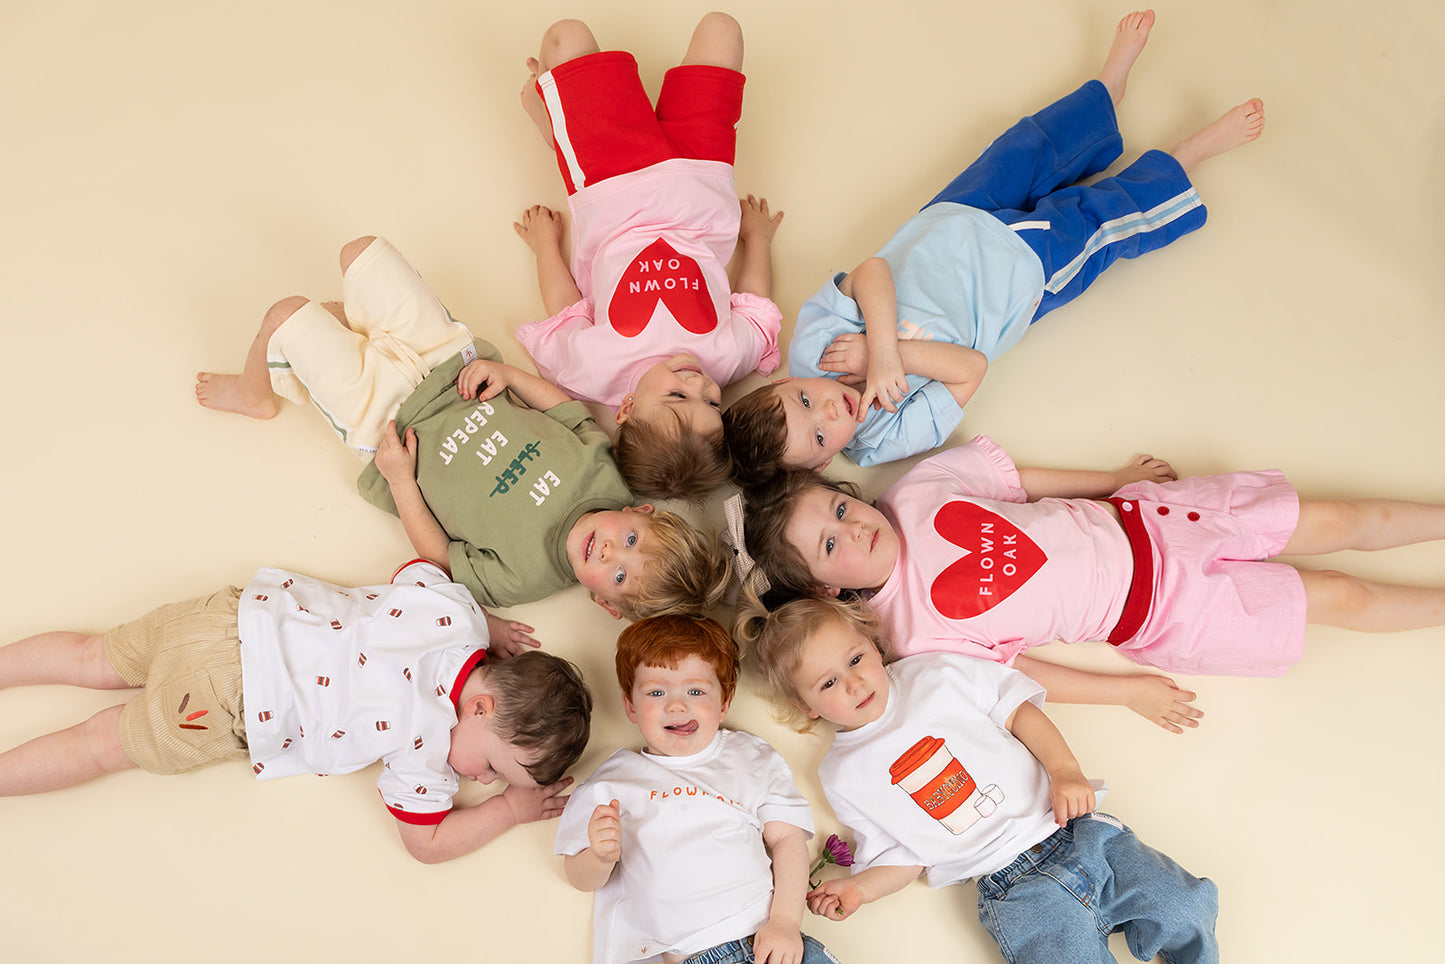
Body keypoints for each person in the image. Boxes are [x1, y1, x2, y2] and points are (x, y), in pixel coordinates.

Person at [722, 9, 1265, 489]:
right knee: (1106, 217)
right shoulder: (882, 438)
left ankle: (1107, 88)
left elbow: (873, 270)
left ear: (786, 380)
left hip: (953, 220)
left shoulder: (814, 347)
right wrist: (893, 362)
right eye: (820, 437)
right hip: (1022, 274)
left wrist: (880, 351)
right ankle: (1185, 160)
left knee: (1030, 146)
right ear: (822, 465)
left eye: (803, 400)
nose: (827, 412)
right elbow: (969, 369)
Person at [738, 435, 1445, 729]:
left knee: (1344, 517)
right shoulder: (913, 635)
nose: (853, 526)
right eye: (831, 544)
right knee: (1340, 598)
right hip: (1169, 611)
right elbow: (1022, 671)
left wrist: (1115, 480)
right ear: (827, 588)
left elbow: (1020, 482)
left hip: (1162, 521)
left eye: (838, 506)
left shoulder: (920, 489)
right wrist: (1126, 693)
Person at [195, 235, 727, 617]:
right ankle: (353, 329)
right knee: (361, 252)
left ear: (604, 603)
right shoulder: (606, 477)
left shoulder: (523, 579)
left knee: (285, 313)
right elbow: (567, 411)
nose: (613, 552)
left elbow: (440, 557)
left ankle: (254, 392)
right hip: (451, 361)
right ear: (640, 509)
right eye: (632, 537)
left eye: (618, 575)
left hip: (385, 417)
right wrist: (508, 373)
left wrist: (401, 479)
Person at [0, 559, 593, 864]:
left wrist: (483, 626)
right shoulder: (428, 752)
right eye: (493, 767)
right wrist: (510, 812)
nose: (482, 781)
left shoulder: (454, 618)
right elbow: (427, 845)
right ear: (480, 708)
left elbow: (418, 572)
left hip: (228, 618)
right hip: (228, 702)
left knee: (92, 654)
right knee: (98, 744)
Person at [738, 595, 1218, 964]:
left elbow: (1018, 713)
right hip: (1011, 891)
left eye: (856, 659)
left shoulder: (934, 674)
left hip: (1075, 830)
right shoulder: (841, 774)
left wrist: (1065, 769)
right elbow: (904, 856)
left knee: (1181, 906)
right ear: (806, 707)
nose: (854, 682)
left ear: (872, 644)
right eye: (827, 684)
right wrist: (859, 889)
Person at [514, 13, 785, 502]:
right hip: (701, 181)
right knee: (723, 29)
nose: (698, 383)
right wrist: (758, 239)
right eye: (711, 401)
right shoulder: (727, 358)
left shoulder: (593, 370)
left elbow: (563, 308)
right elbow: (755, 304)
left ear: (625, 408)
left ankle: (559, 128)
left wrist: (544, 246)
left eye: (678, 396)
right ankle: (558, 123)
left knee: (567, 35)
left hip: (612, 184)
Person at [555, 614, 836, 964]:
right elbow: (580, 879)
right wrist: (599, 857)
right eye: (656, 692)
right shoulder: (613, 783)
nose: (676, 705)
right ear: (630, 705)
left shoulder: (748, 757)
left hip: (767, 941)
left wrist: (785, 922)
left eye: (695, 691)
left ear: (724, 702)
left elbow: (788, 841)